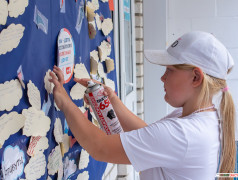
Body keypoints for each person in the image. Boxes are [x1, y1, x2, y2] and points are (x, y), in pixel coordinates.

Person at [49, 31, 236, 180]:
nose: (162, 77)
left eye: (170, 70)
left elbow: (100, 147)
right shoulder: (199, 116)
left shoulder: (185, 133)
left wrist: (64, 101)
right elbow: (150, 136)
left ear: (196, 77)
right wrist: (112, 99)